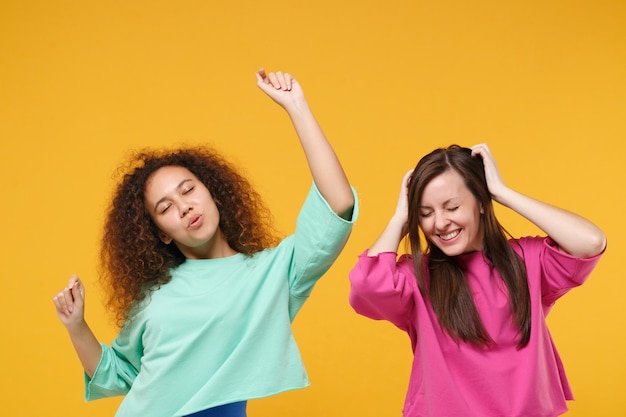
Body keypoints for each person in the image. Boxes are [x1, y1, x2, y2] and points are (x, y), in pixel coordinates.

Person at [52, 69, 357, 417]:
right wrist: (76, 325)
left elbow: (338, 204)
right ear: (162, 233)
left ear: (213, 192)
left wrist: (296, 106)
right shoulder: (154, 295)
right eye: (165, 208)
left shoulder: (271, 274)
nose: (184, 207)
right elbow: (117, 374)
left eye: (188, 190)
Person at [348, 143, 606, 417]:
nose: (440, 223)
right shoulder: (419, 276)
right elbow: (366, 287)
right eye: (425, 213)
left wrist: (503, 193)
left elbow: (590, 242)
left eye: (452, 207)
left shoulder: (528, 261)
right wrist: (400, 218)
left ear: (481, 203)